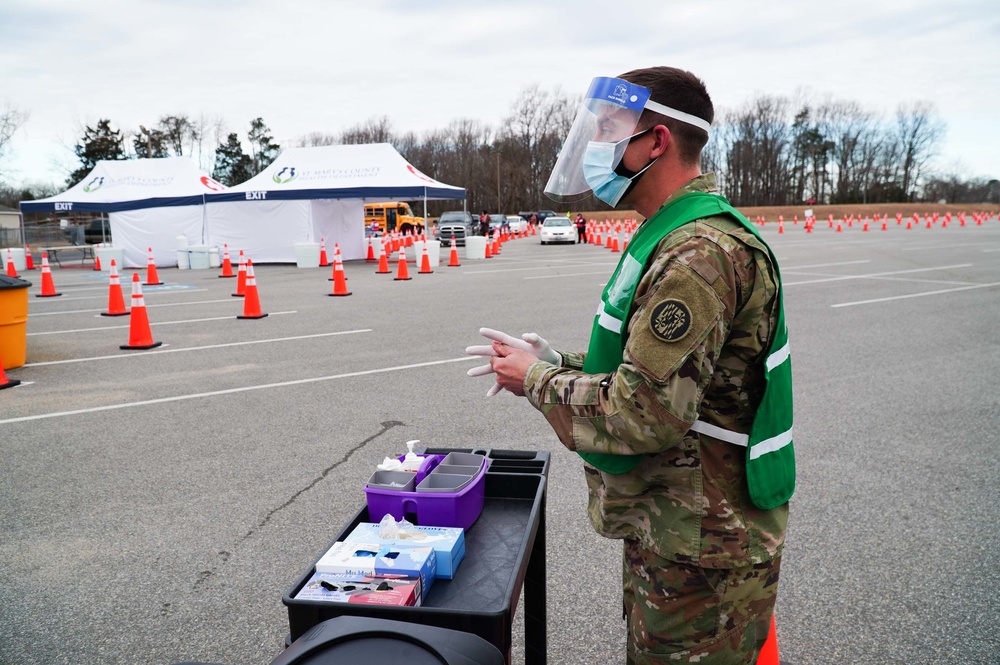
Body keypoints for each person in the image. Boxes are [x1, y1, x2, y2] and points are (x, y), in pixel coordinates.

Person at [467, 67, 794, 664]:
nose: (596, 146)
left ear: (658, 140)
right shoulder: (672, 236)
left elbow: (644, 413)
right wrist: (555, 361)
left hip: (702, 548)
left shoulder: (698, 255)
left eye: (610, 130)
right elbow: (665, 375)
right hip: (682, 530)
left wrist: (536, 381)